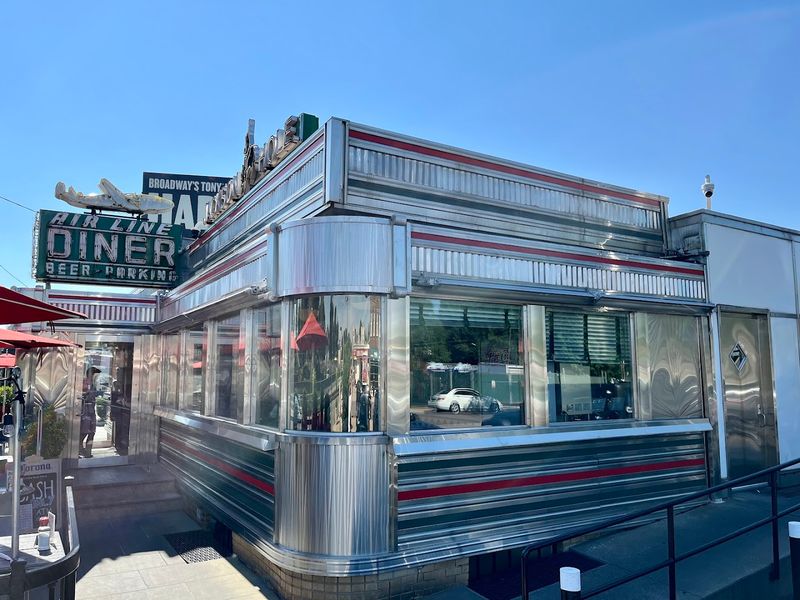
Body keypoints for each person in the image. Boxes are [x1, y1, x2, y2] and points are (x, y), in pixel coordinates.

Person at [80, 367, 100, 458]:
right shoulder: (85, 382)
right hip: (85, 410)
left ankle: (88, 451)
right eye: (95, 375)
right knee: (84, 431)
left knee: (92, 431)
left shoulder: (94, 384)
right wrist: (86, 394)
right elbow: (80, 394)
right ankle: (79, 449)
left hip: (92, 409)